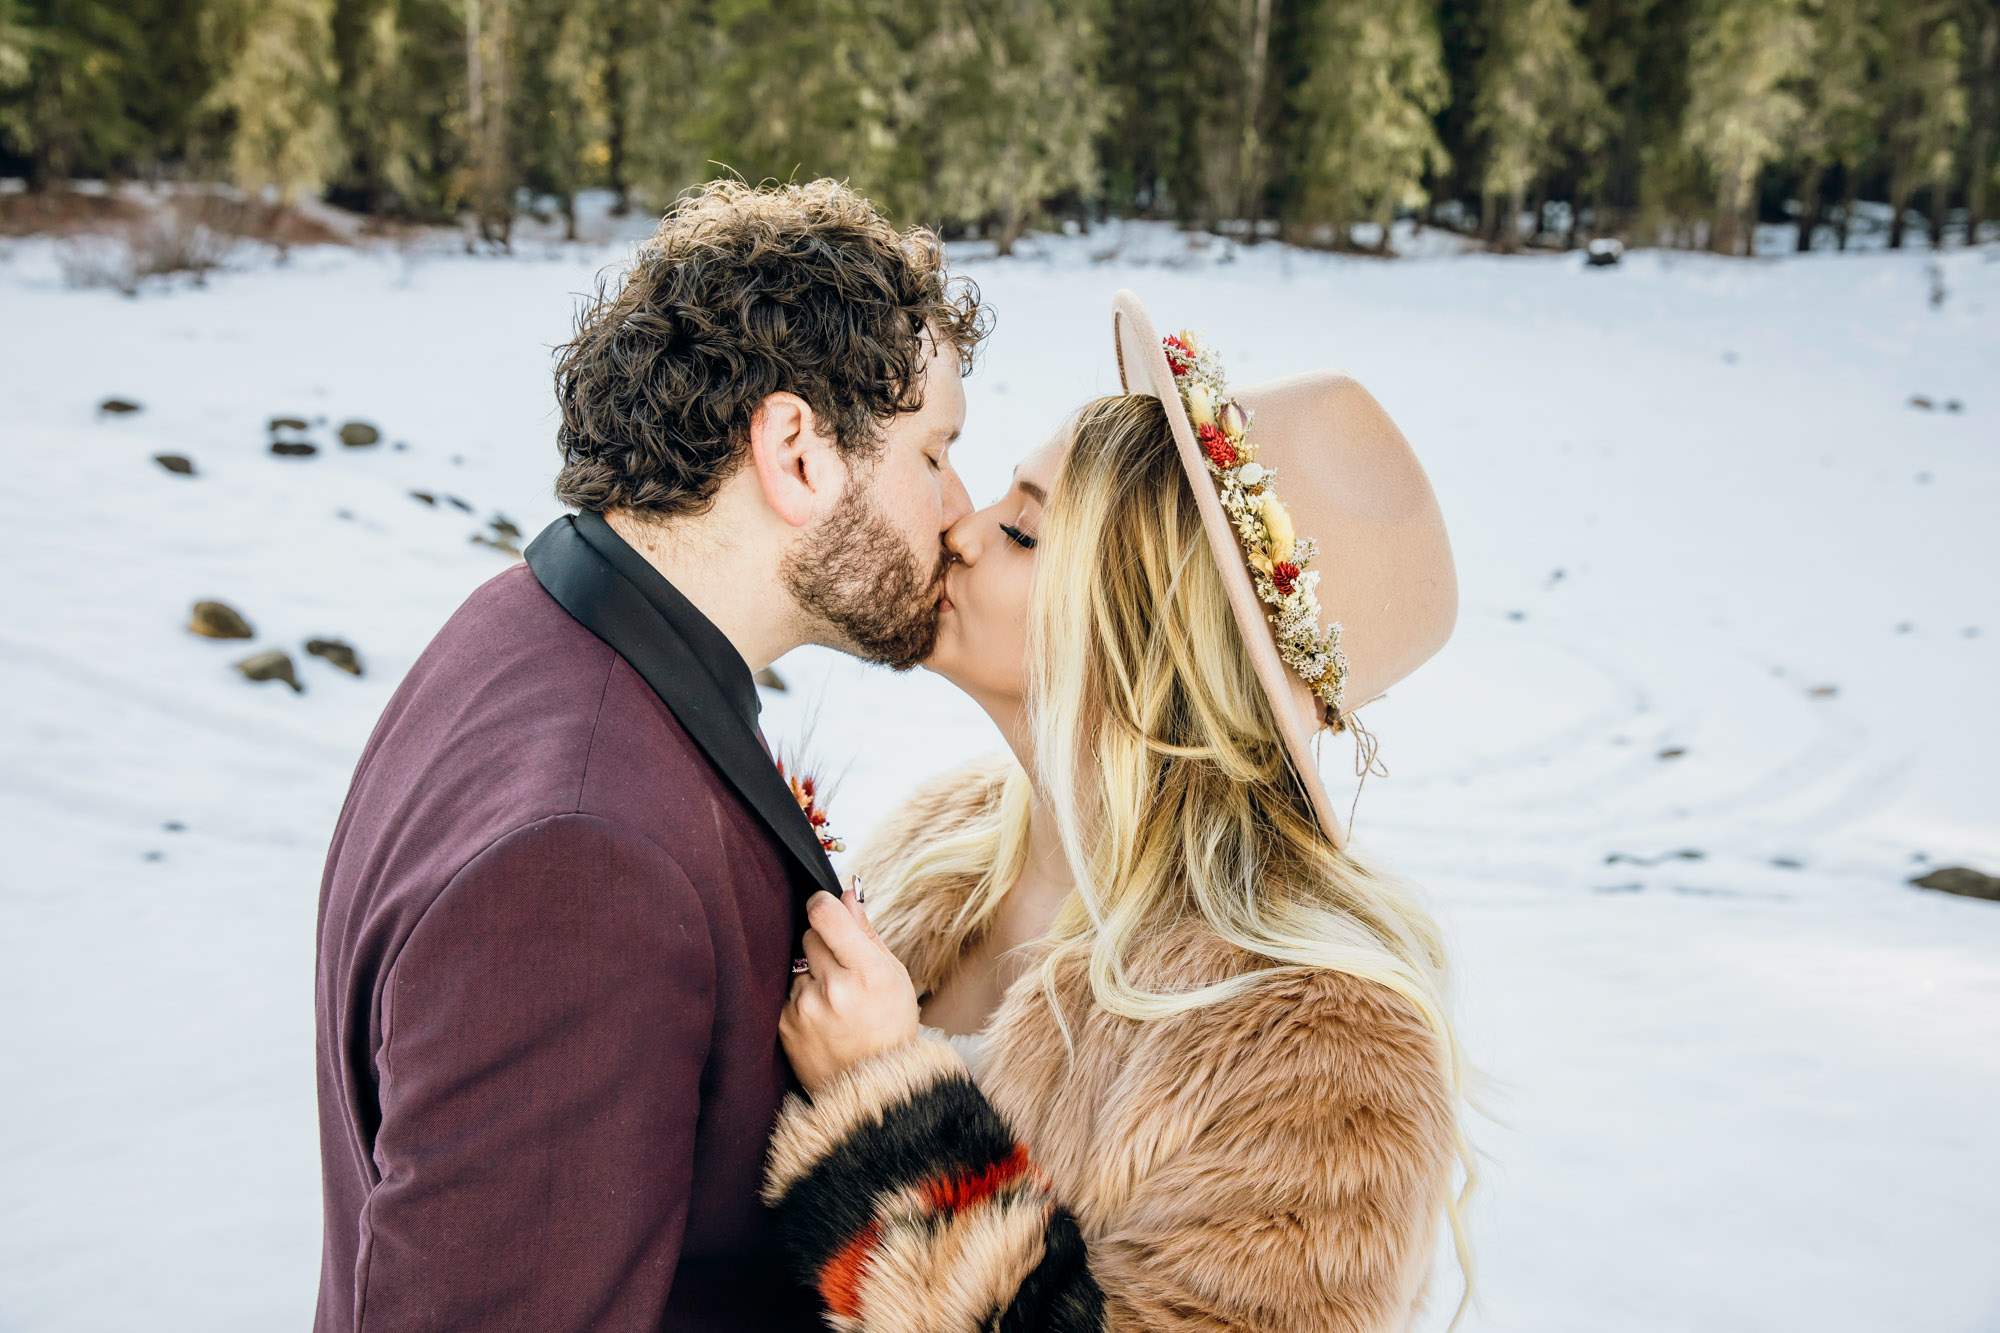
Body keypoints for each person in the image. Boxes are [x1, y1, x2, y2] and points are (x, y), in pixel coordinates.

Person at [312, 178, 986, 1332]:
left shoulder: (530, 624)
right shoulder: (584, 859)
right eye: (934, 453)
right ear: (796, 453)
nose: (959, 510)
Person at [766, 291, 1474, 1331]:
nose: (956, 532)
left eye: (1019, 529)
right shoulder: (936, 846)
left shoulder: (1318, 1044)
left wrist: (886, 1108)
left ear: (1140, 635)